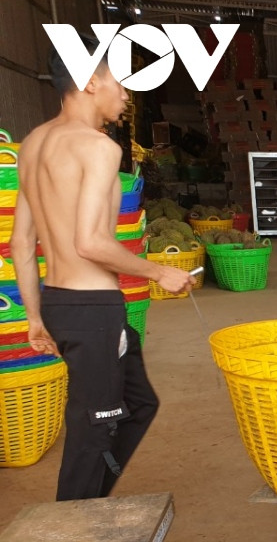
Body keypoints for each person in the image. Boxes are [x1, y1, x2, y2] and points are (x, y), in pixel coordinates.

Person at [11, 37, 193, 502]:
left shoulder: (32, 142)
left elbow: (21, 245)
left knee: (137, 405)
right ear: (91, 81)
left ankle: (89, 506)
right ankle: (71, 528)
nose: (127, 94)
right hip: (92, 309)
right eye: (120, 81)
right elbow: (90, 242)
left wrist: (35, 317)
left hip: (59, 303)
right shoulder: (97, 148)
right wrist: (159, 273)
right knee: (95, 425)